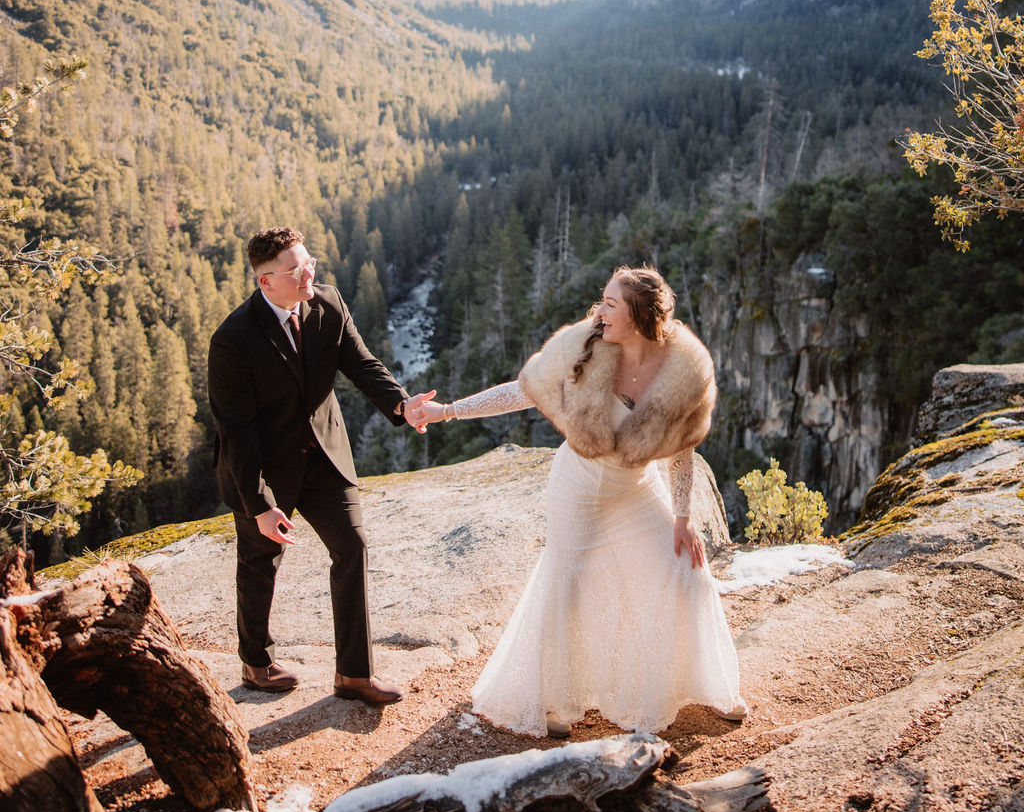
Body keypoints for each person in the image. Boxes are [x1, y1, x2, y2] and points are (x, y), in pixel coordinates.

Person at [406, 265, 745, 738]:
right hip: (578, 487)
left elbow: (683, 450)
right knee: (567, 586)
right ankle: (549, 698)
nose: (599, 310)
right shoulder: (588, 344)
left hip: (636, 488)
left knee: (685, 569)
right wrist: (448, 411)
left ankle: (703, 684)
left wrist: (684, 518)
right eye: (602, 301)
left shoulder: (680, 369)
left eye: (611, 304)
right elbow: (522, 392)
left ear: (641, 317)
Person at [208, 226, 433, 703]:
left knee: (352, 547)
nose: (308, 272)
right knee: (259, 561)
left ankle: (354, 674)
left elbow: (362, 364)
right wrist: (261, 505)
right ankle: (257, 662)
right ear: (265, 281)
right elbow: (237, 434)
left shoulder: (328, 302)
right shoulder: (232, 340)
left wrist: (402, 404)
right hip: (265, 471)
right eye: (295, 269)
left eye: (308, 261)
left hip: (325, 457)